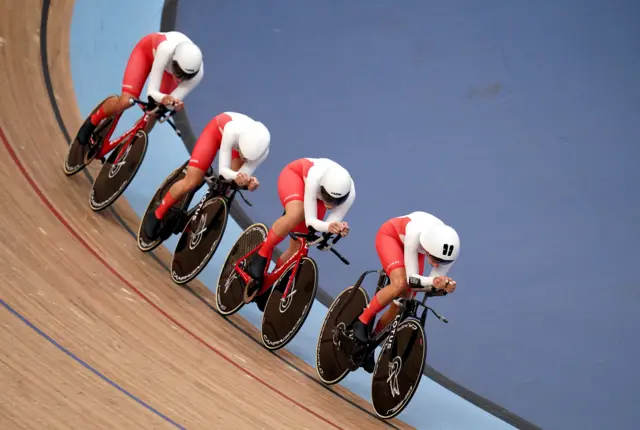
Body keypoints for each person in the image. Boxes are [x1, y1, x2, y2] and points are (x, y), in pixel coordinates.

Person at [353, 211, 460, 372]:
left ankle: (372, 343)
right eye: (435, 260)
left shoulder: (447, 252)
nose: (437, 265)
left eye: (442, 262)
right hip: (392, 237)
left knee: (406, 299)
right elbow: (411, 279)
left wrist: (443, 285)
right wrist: (434, 282)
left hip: (418, 250)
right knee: (400, 283)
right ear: (428, 247)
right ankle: (362, 320)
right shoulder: (415, 232)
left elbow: (427, 285)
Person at [245, 157, 356, 310]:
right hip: (296, 178)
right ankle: (261, 255)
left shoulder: (350, 195)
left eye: (336, 201)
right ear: (323, 188)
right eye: (328, 197)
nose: (331, 203)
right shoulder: (315, 176)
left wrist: (337, 227)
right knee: (296, 213)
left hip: (316, 197)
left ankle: (267, 287)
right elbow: (310, 220)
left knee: (300, 246)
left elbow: (329, 223)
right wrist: (329, 226)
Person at [143, 112, 271, 240]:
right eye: (243, 154)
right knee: (191, 182)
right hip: (216, 132)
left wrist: (247, 181)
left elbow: (240, 177)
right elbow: (223, 171)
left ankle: (197, 219)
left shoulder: (261, 153)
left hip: (236, 149)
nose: (244, 158)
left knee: (226, 189)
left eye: (247, 158)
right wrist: (239, 176)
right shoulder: (232, 129)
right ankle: (157, 213)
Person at [75, 31, 204, 153]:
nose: (180, 78)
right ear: (174, 59)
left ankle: (124, 151)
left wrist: (173, 103)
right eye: (179, 71)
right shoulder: (166, 49)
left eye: (185, 76)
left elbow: (169, 103)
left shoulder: (197, 76)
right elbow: (152, 92)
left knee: (153, 114)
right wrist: (165, 99)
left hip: (167, 74)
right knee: (126, 101)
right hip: (146, 54)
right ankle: (92, 121)